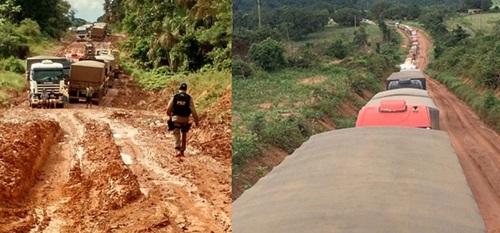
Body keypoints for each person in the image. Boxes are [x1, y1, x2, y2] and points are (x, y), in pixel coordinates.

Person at [166, 83, 199, 157]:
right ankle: (183, 150)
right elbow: (193, 110)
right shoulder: (189, 98)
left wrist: (170, 116)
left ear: (179, 89)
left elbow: (168, 109)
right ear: (186, 89)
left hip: (176, 118)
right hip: (185, 119)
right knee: (184, 133)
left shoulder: (175, 97)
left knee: (176, 132)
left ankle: (177, 149)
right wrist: (196, 120)